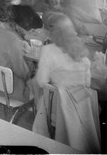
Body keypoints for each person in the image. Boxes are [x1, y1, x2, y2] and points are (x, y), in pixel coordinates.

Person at [32, 13, 101, 153]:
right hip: (82, 107)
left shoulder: (48, 51)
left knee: (35, 85)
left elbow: (42, 81)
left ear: (50, 32)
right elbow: (87, 83)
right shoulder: (82, 51)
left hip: (58, 109)